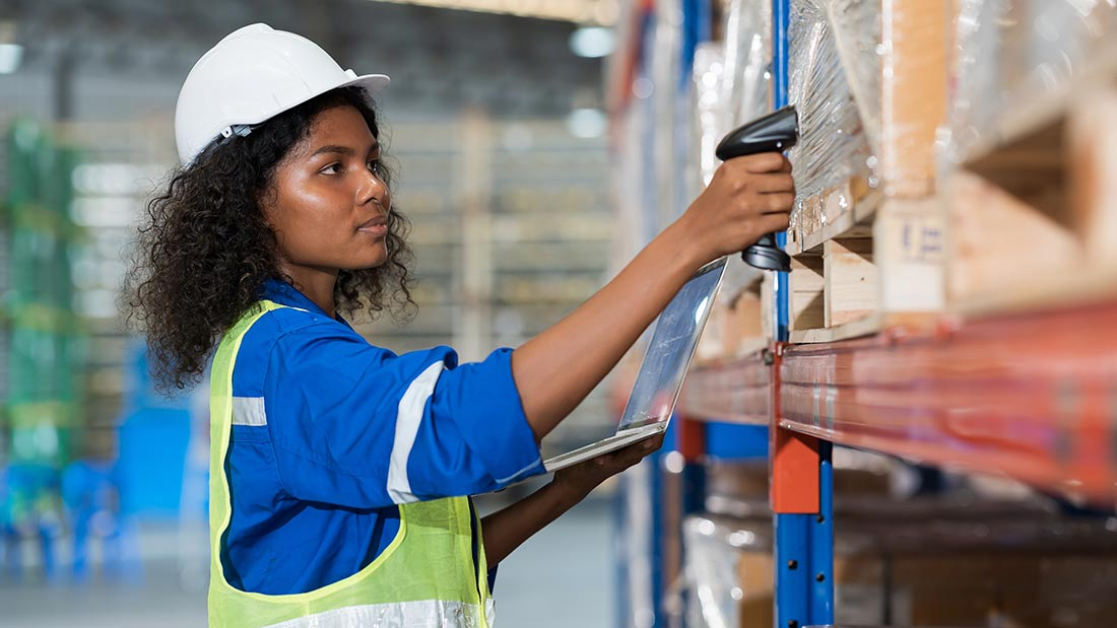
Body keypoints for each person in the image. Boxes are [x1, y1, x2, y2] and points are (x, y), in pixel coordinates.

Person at [125, 23, 795, 628]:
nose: (372, 186)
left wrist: (572, 484)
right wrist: (684, 242)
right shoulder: (289, 359)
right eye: (331, 168)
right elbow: (460, 427)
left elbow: (425, 564)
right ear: (247, 203)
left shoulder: (294, 343)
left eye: (370, 161)